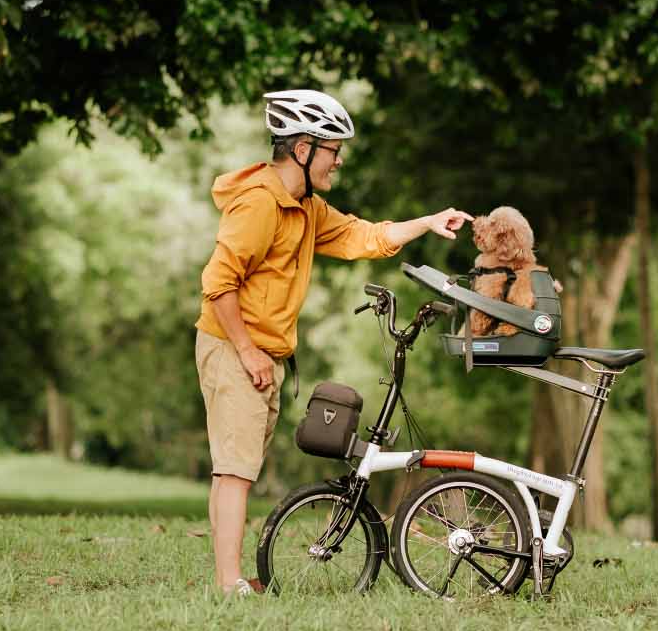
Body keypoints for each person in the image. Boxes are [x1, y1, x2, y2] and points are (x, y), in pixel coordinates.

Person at [195, 88, 473, 596]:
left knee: (233, 468)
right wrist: (248, 350)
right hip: (236, 347)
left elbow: (363, 237)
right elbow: (217, 284)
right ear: (302, 149)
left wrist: (428, 223)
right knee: (235, 470)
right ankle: (227, 583)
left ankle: (226, 578)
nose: (338, 160)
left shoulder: (304, 208)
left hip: (256, 350)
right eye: (332, 148)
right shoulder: (259, 205)